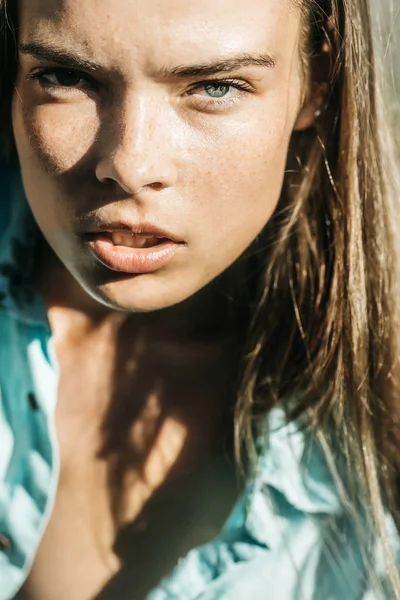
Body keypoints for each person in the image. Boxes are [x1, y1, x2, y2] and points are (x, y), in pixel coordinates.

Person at [0, 0, 399, 598]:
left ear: (317, 82)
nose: (131, 165)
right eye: (67, 76)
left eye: (215, 86)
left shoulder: (380, 427)